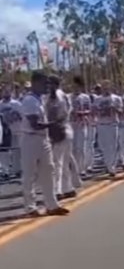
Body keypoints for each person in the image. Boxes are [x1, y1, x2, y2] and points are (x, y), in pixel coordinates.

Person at [20, 71, 69, 216]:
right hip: (31, 139)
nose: (47, 86)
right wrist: (53, 125)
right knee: (30, 174)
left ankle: (51, 205)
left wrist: (51, 128)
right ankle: (30, 207)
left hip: (43, 139)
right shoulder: (29, 100)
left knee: (49, 171)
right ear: (35, 83)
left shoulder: (40, 99)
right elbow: (34, 124)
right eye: (44, 83)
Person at [46, 75, 80, 200]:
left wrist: (51, 126)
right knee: (65, 161)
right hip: (66, 129)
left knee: (57, 162)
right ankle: (69, 188)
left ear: (54, 84)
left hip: (59, 130)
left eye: (50, 83)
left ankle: (58, 190)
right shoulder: (63, 95)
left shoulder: (56, 96)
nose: (48, 86)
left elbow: (56, 115)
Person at [94, 80, 122, 177]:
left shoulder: (116, 98)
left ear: (110, 87)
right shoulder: (97, 99)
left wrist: (115, 109)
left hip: (112, 124)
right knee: (103, 146)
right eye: (104, 87)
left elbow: (121, 110)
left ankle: (112, 167)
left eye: (107, 87)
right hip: (101, 125)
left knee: (113, 146)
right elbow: (94, 111)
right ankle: (108, 164)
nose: (105, 89)